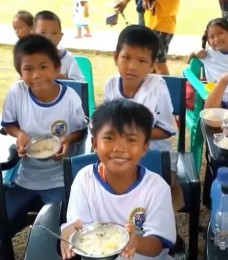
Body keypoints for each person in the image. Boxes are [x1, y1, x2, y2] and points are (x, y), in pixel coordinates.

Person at [103, 24, 186, 256]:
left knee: (155, 195)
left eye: (141, 61)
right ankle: (120, 232)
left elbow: (169, 130)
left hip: (154, 155)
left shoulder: (156, 86)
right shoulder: (111, 84)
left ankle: (163, 235)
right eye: (126, 57)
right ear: (115, 57)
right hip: (120, 153)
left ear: (151, 65)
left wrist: (133, 139)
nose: (132, 66)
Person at [60, 99, 176, 260]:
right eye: (109, 138)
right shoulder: (84, 180)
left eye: (131, 140)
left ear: (144, 147)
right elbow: (78, 228)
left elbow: (157, 245)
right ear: (94, 143)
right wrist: (69, 231)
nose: (119, 148)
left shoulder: (156, 187)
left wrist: (136, 242)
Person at [0, 34, 87, 246]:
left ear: (56, 68)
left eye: (43, 67)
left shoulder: (69, 98)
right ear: (20, 72)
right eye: (28, 69)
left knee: (61, 237)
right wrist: (19, 134)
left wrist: (67, 141)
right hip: (25, 179)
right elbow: (8, 124)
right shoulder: (17, 92)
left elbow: (81, 130)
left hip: (59, 180)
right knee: (3, 226)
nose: (36, 75)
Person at [188, 17, 228, 83]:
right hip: (217, 92)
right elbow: (189, 61)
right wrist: (195, 52)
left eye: (220, 33)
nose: (216, 39)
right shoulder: (208, 54)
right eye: (212, 37)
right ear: (208, 41)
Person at [33, 11, 84, 81]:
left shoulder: (68, 59)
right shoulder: (29, 58)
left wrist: (62, 78)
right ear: (33, 35)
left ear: (61, 36)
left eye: (54, 33)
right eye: (43, 33)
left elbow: (80, 85)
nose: (48, 37)